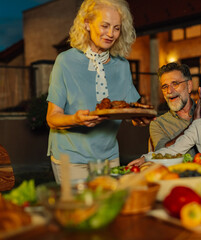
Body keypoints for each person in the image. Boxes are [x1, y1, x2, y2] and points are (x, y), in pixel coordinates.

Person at [46, 0, 150, 184]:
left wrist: (139, 118)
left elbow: (128, 109)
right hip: (71, 157)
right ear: (87, 23)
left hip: (109, 156)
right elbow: (52, 117)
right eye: (105, 26)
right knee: (81, 211)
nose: (111, 34)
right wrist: (75, 119)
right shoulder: (65, 61)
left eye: (117, 28)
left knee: (110, 209)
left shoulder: (122, 65)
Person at [149, 62, 201, 156]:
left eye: (175, 84)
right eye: (165, 87)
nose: (169, 91)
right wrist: (195, 124)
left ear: (189, 86)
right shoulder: (158, 124)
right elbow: (162, 155)